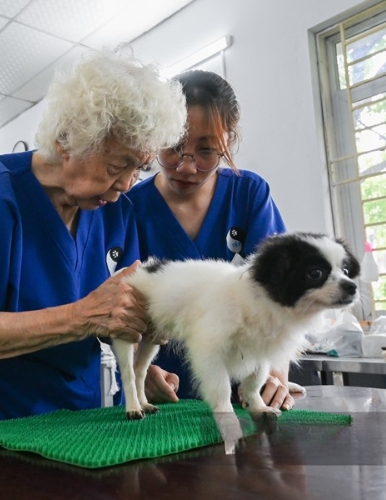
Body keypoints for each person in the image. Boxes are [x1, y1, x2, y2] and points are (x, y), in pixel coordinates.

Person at [0, 51, 187, 433]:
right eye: (116, 165)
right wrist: (82, 316)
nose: (127, 184)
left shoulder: (115, 211)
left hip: (75, 413)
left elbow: (114, 315)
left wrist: (140, 365)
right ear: (67, 140)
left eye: (138, 168)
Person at [125, 70, 301, 411]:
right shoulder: (129, 207)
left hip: (241, 390)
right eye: (174, 147)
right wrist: (140, 369)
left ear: (228, 142)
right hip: (159, 397)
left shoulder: (249, 194)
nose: (187, 167)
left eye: (206, 150)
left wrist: (274, 375)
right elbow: (122, 303)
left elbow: (281, 295)